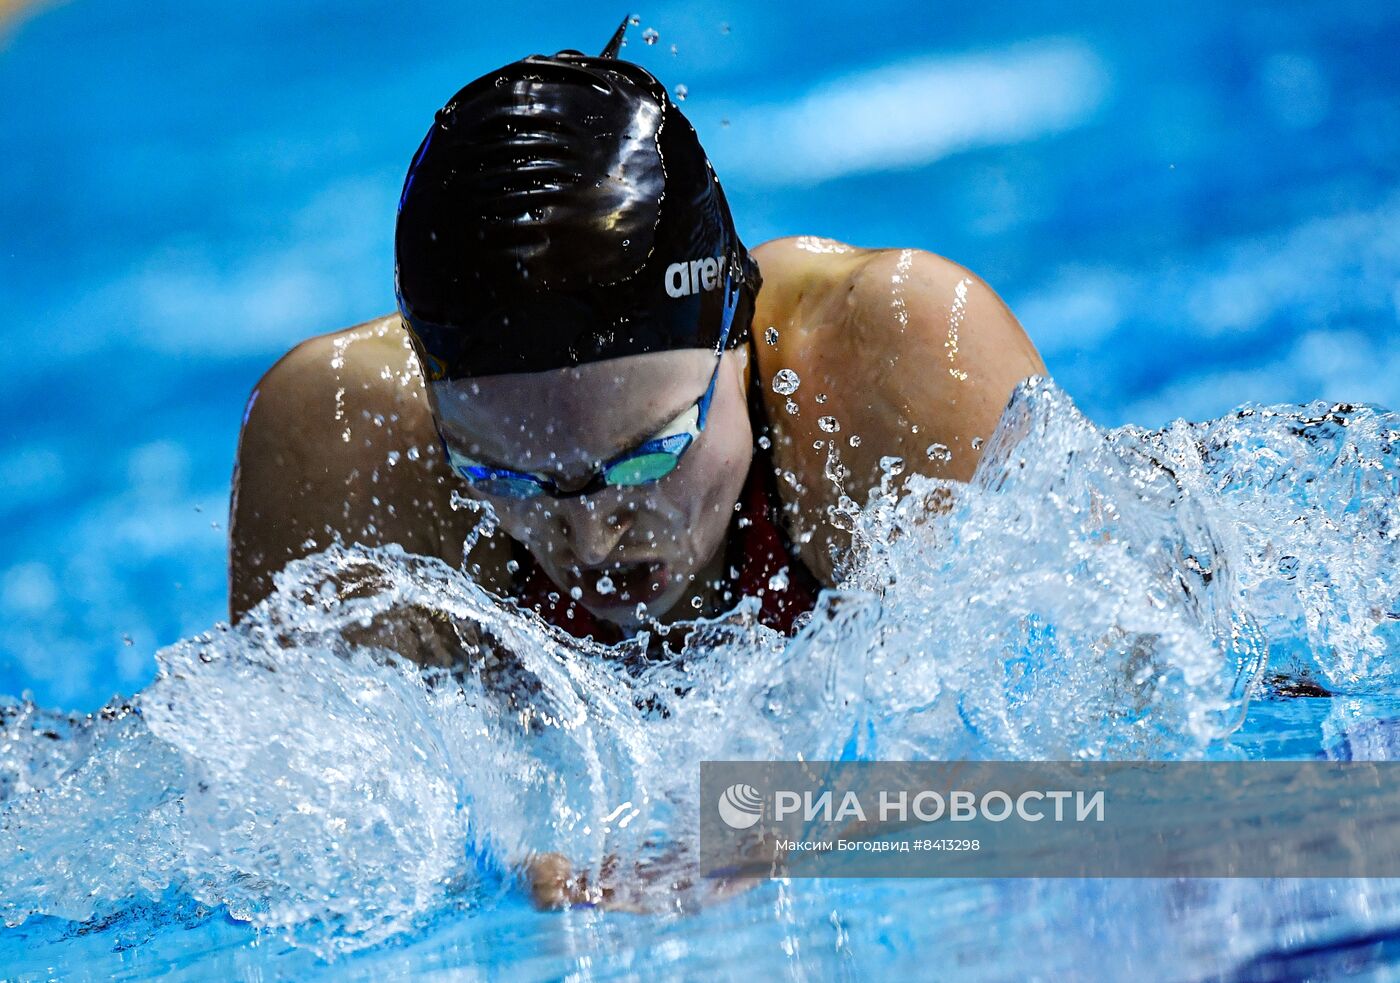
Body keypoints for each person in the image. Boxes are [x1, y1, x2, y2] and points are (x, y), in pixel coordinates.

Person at [228, 27, 1046, 654]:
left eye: (646, 455)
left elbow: (1131, 795)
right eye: (504, 474)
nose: (589, 538)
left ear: (738, 328)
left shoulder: (892, 360)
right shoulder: (344, 438)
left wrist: (765, 820)